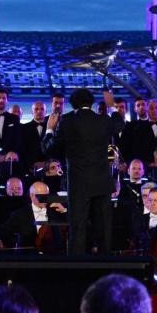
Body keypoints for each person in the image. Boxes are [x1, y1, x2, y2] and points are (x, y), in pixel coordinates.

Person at [42, 88, 115, 255]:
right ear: (91, 103)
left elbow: (48, 149)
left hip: (79, 185)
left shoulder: (67, 121)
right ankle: (106, 270)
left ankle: (77, 271)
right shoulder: (103, 120)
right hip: (102, 184)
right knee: (103, 230)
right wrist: (112, 106)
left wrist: (49, 129)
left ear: (73, 104)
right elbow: (119, 124)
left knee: (78, 229)